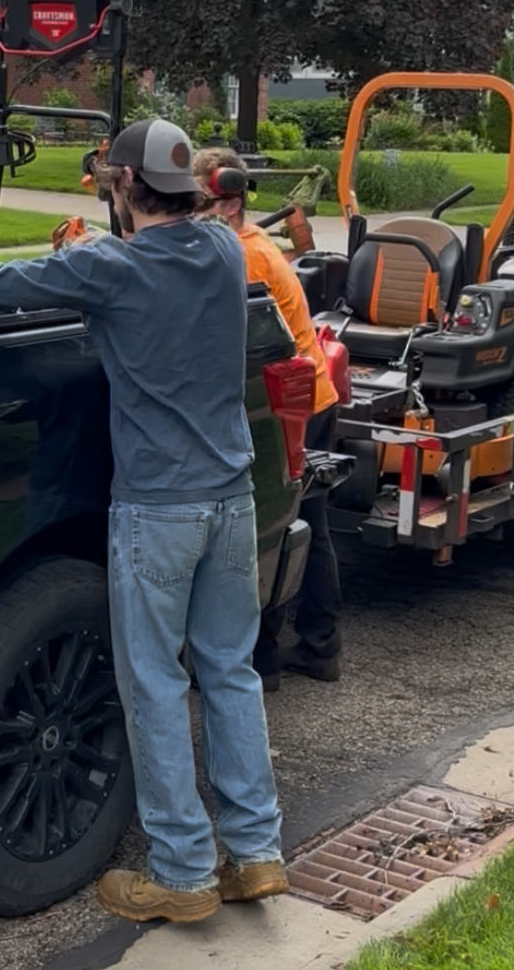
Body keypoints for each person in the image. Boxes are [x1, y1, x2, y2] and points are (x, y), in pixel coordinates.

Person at [0, 118, 287, 925]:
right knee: (228, 670)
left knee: (152, 681)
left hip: (158, 507)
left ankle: (184, 872)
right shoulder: (223, 251)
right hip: (230, 496)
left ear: (120, 184)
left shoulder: (109, 266)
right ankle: (255, 853)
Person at [193, 147, 343, 691]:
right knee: (302, 522)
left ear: (229, 202)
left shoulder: (246, 257)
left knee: (270, 524)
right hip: (303, 395)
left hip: (291, 404)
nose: (191, 212)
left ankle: (267, 657)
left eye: (200, 202)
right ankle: (312, 646)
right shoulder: (239, 244)